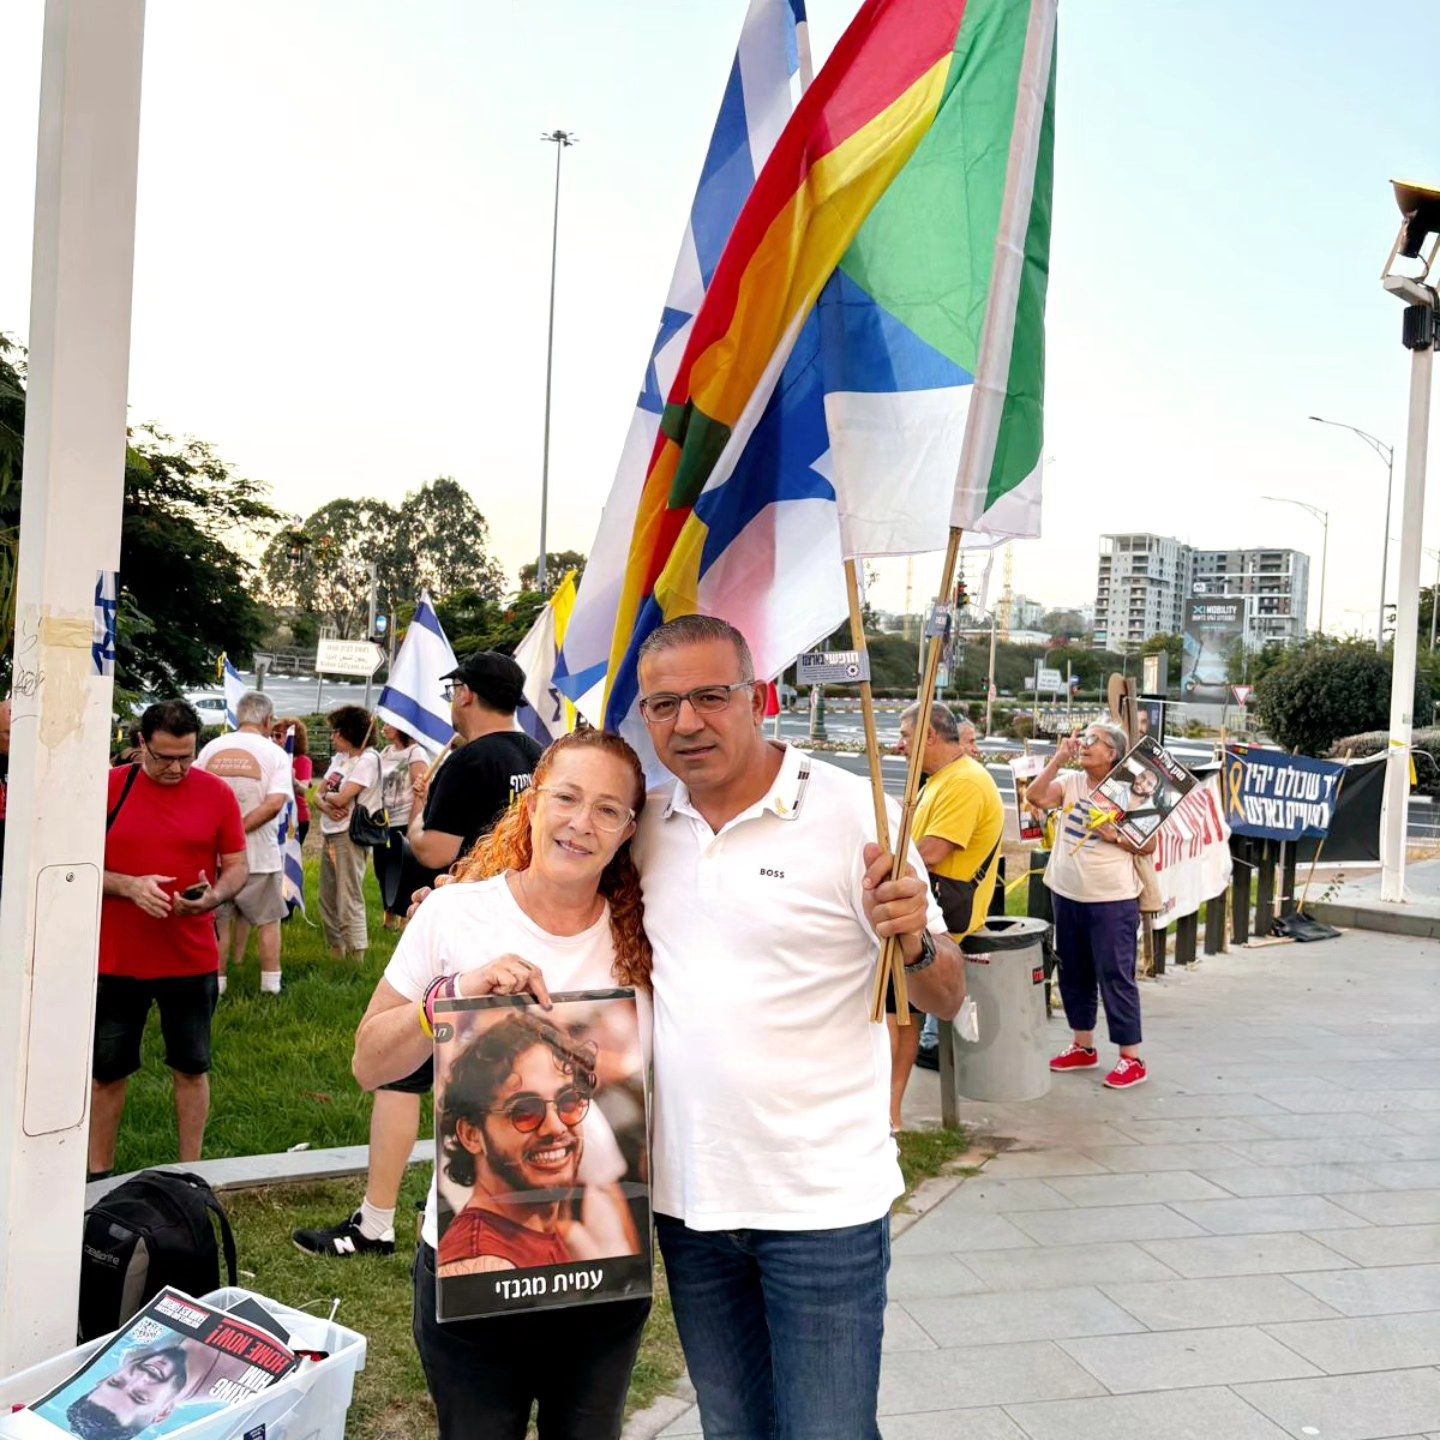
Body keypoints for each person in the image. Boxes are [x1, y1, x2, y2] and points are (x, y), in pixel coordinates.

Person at [630, 615, 962, 1440]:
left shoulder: (861, 817)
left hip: (823, 1204)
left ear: (759, 697)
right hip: (690, 1199)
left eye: (712, 697)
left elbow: (948, 996)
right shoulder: (644, 828)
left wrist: (916, 939)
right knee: (731, 1428)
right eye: (664, 705)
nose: (687, 722)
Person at [350, 727, 653, 1439]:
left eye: (608, 809)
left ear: (629, 830)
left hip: (601, 1273)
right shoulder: (457, 913)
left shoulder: (649, 933)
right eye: (567, 798)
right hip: (473, 1277)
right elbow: (368, 1063)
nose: (582, 823)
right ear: (532, 802)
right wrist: (449, 1000)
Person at [294, 701, 541, 1263]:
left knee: (404, 1078)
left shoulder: (469, 760)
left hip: (467, 938)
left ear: (467, 696)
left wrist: (420, 812)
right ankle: (442, 1205)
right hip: (517, 929)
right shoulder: (534, 753)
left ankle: (377, 1221)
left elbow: (431, 848)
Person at [92, 701, 248, 1179]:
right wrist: (128, 886)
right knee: (107, 1071)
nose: (177, 769)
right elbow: (74, 866)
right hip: (117, 958)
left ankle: (189, 1173)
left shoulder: (216, 793)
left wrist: (214, 895)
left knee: (192, 1067)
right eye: (164, 758)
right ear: (141, 744)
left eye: (187, 756)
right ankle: (98, 1175)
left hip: (190, 957)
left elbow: (236, 866)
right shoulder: (107, 788)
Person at [435, 1012, 640, 1275]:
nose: (556, 1127)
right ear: (471, 1134)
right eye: (525, 1111)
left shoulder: (540, 1228)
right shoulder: (485, 1265)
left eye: (568, 1102)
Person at [1026, 722, 1153, 1090]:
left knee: (1115, 974)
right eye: (1084, 738)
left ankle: (1131, 1057)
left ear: (1112, 753)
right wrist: (1058, 759)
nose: (1084, 744)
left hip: (1111, 899)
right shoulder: (1071, 783)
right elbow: (1035, 797)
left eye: (1093, 740)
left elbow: (1149, 844)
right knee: (1073, 971)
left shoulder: (1132, 789)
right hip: (1066, 893)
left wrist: (1113, 835)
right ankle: (1083, 1045)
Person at [894, 701, 1004, 1119]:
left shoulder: (965, 782)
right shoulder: (943, 778)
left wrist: (883, 868)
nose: (900, 745)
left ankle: (891, 1115)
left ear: (929, 735)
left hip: (940, 916)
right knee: (899, 1011)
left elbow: (931, 853)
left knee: (901, 1012)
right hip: (927, 908)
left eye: (905, 736)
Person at [405, 650, 543, 884]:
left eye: (453, 690)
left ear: (465, 694)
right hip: (519, 890)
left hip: (468, 894)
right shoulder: (539, 753)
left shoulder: (468, 762)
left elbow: (434, 853)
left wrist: (418, 820)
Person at [195, 691, 293, 996]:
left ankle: (217, 986)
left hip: (216, 856)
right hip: (260, 856)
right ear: (268, 720)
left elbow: (192, 793)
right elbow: (274, 804)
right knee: (268, 921)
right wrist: (237, 832)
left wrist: (223, 836)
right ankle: (271, 987)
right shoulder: (275, 753)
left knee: (219, 924)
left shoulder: (211, 748)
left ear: (239, 717)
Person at [314, 705, 382, 960]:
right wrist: (326, 804)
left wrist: (329, 799)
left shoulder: (368, 759)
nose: (332, 737)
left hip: (349, 836)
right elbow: (318, 795)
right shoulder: (340, 759)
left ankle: (356, 955)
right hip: (330, 831)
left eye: (336, 731)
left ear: (349, 733)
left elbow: (342, 798)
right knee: (327, 896)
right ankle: (336, 951)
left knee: (348, 896)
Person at [377, 722, 428, 930]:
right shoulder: (385, 752)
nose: (384, 727)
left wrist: (413, 825)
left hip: (403, 821)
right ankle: (388, 913)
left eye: (389, 723)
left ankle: (406, 915)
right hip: (383, 821)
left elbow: (421, 791)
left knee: (403, 870)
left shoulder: (415, 753)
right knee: (382, 868)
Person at [273, 715, 313, 844]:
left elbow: (304, 790)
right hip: (277, 815)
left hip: (296, 816)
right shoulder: (274, 758)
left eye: (278, 736)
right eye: (272, 735)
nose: (274, 739)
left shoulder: (302, 761)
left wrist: (292, 778)